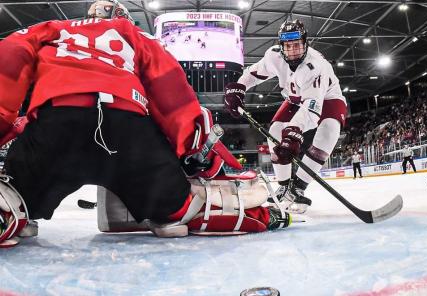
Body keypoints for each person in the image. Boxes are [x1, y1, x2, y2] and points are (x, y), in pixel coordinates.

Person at [0, 0, 290, 247]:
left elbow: (9, 58)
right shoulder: (133, 33)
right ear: (122, 19)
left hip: (55, 125)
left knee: (14, 201)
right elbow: (171, 93)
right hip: (126, 129)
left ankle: (10, 214)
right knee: (182, 211)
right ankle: (257, 214)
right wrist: (190, 149)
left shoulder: (49, 29)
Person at [224, 19, 347, 215]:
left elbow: (312, 108)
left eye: (297, 45)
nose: (292, 51)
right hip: (294, 98)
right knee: (274, 132)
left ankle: (298, 187)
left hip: (328, 98)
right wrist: (239, 88)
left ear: (305, 43)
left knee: (329, 131)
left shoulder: (315, 66)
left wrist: (294, 131)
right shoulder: (274, 56)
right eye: (288, 46)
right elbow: (254, 73)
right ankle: (283, 187)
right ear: (281, 46)